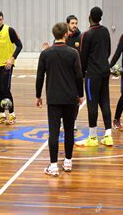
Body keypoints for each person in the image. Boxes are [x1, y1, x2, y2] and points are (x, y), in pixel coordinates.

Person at [36, 22, 84, 176]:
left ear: (54, 35)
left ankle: (53, 166)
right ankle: (68, 162)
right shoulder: (73, 53)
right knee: (69, 131)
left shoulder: (46, 54)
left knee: (54, 132)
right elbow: (79, 76)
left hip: (54, 99)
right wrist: (81, 94)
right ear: (65, 34)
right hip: (71, 98)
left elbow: (39, 77)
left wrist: (38, 95)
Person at [75, 7, 113, 147]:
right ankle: (108, 135)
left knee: (92, 103)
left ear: (89, 17)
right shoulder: (105, 31)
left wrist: (82, 73)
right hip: (105, 71)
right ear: (100, 18)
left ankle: (92, 137)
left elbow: (82, 58)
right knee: (105, 102)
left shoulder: (86, 35)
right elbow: (108, 51)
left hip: (93, 74)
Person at [0, 11, 23, 125]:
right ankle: (2, 114)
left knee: (5, 89)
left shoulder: (9, 30)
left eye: (1, 19)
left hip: (6, 66)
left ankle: (12, 115)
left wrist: (12, 59)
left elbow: (19, 45)